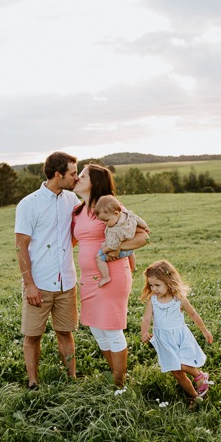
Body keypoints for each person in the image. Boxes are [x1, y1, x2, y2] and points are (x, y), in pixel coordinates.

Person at [72, 163, 148, 386]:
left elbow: (143, 235)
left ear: (95, 182)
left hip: (112, 275)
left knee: (112, 330)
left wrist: (118, 250)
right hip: (88, 278)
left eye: (83, 176)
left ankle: (120, 384)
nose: (77, 178)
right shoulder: (78, 211)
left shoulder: (110, 206)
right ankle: (116, 374)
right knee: (96, 329)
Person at [15, 152, 80, 389]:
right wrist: (29, 284)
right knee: (32, 336)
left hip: (67, 282)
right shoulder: (29, 204)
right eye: (72, 173)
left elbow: (75, 234)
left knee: (65, 332)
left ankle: (71, 379)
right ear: (57, 174)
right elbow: (21, 246)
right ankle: (33, 382)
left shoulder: (72, 200)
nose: (76, 178)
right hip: (39, 284)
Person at [140, 260, 214, 399]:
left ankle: (199, 375)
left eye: (157, 285)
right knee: (176, 372)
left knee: (182, 364)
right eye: (151, 285)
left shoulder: (178, 298)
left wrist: (204, 330)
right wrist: (144, 332)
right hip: (164, 340)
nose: (154, 289)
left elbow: (193, 314)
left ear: (168, 282)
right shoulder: (152, 300)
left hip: (180, 336)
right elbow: (146, 319)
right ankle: (194, 396)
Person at [94, 194, 149, 287]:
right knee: (131, 253)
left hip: (118, 252)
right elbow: (139, 220)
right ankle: (133, 267)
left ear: (116, 213)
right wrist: (146, 226)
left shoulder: (114, 230)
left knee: (98, 258)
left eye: (106, 220)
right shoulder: (129, 215)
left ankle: (106, 277)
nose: (104, 223)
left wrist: (104, 250)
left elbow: (113, 246)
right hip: (130, 249)